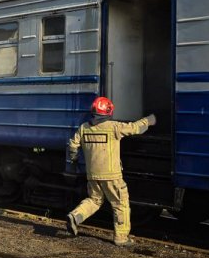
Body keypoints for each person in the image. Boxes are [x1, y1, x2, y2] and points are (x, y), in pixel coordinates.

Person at [66, 96, 156, 246]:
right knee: (120, 203)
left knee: (94, 200)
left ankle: (75, 216)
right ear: (109, 111)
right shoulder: (114, 126)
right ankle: (121, 238)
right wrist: (149, 120)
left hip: (92, 174)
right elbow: (135, 128)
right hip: (112, 175)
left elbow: (73, 145)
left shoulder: (84, 128)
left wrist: (74, 161)